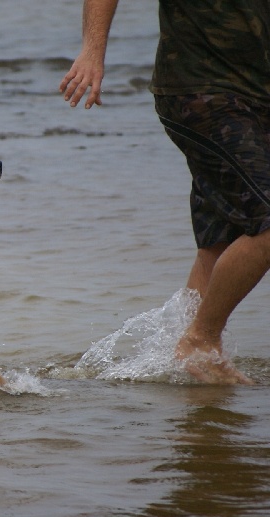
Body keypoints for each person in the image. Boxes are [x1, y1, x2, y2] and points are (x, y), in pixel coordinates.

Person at [59, 0, 270, 385]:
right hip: (201, 90)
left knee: (221, 235)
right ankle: (200, 341)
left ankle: (183, 369)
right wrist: (92, 52)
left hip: (258, 95)